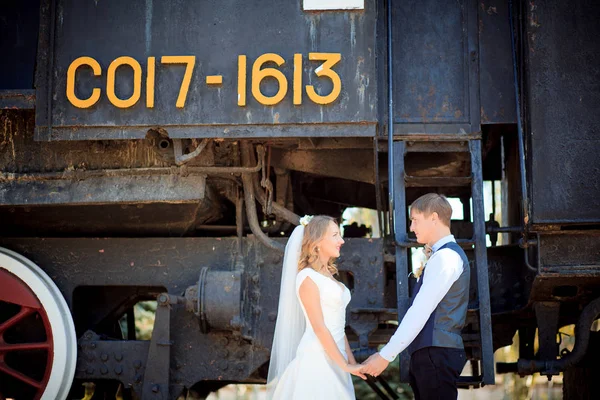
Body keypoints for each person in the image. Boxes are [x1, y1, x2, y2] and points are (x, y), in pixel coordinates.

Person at [362, 193, 469, 400]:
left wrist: (386, 355)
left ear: (434, 218)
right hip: (432, 354)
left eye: (415, 220)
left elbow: (420, 310)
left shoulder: (446, 258)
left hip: (435, 354)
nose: (411, 227)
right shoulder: (442, 255)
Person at [267, 215, 366, 400]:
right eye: (335, 235)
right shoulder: (307, 278)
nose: (341, 241)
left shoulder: (329, 276)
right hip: (317, 360)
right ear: (318, 241)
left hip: (337, 359)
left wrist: (351, 363)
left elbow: (337, 325)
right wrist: (346, 365)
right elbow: (320, 327)